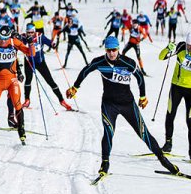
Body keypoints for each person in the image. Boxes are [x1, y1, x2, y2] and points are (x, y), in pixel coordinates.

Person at [66, 36, 178, 180]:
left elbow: (140, 77)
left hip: (128, 104)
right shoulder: (99, 62)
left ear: (118, 49)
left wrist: (143, 96)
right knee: (108, 133)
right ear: (105, 50)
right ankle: (104, 165)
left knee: (144, 134)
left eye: (114, 50)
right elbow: (85, 71)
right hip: (109, 104)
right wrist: (75, 87)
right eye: (109, 50)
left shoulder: (128, 62)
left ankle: (164, 161)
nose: (112, 53)